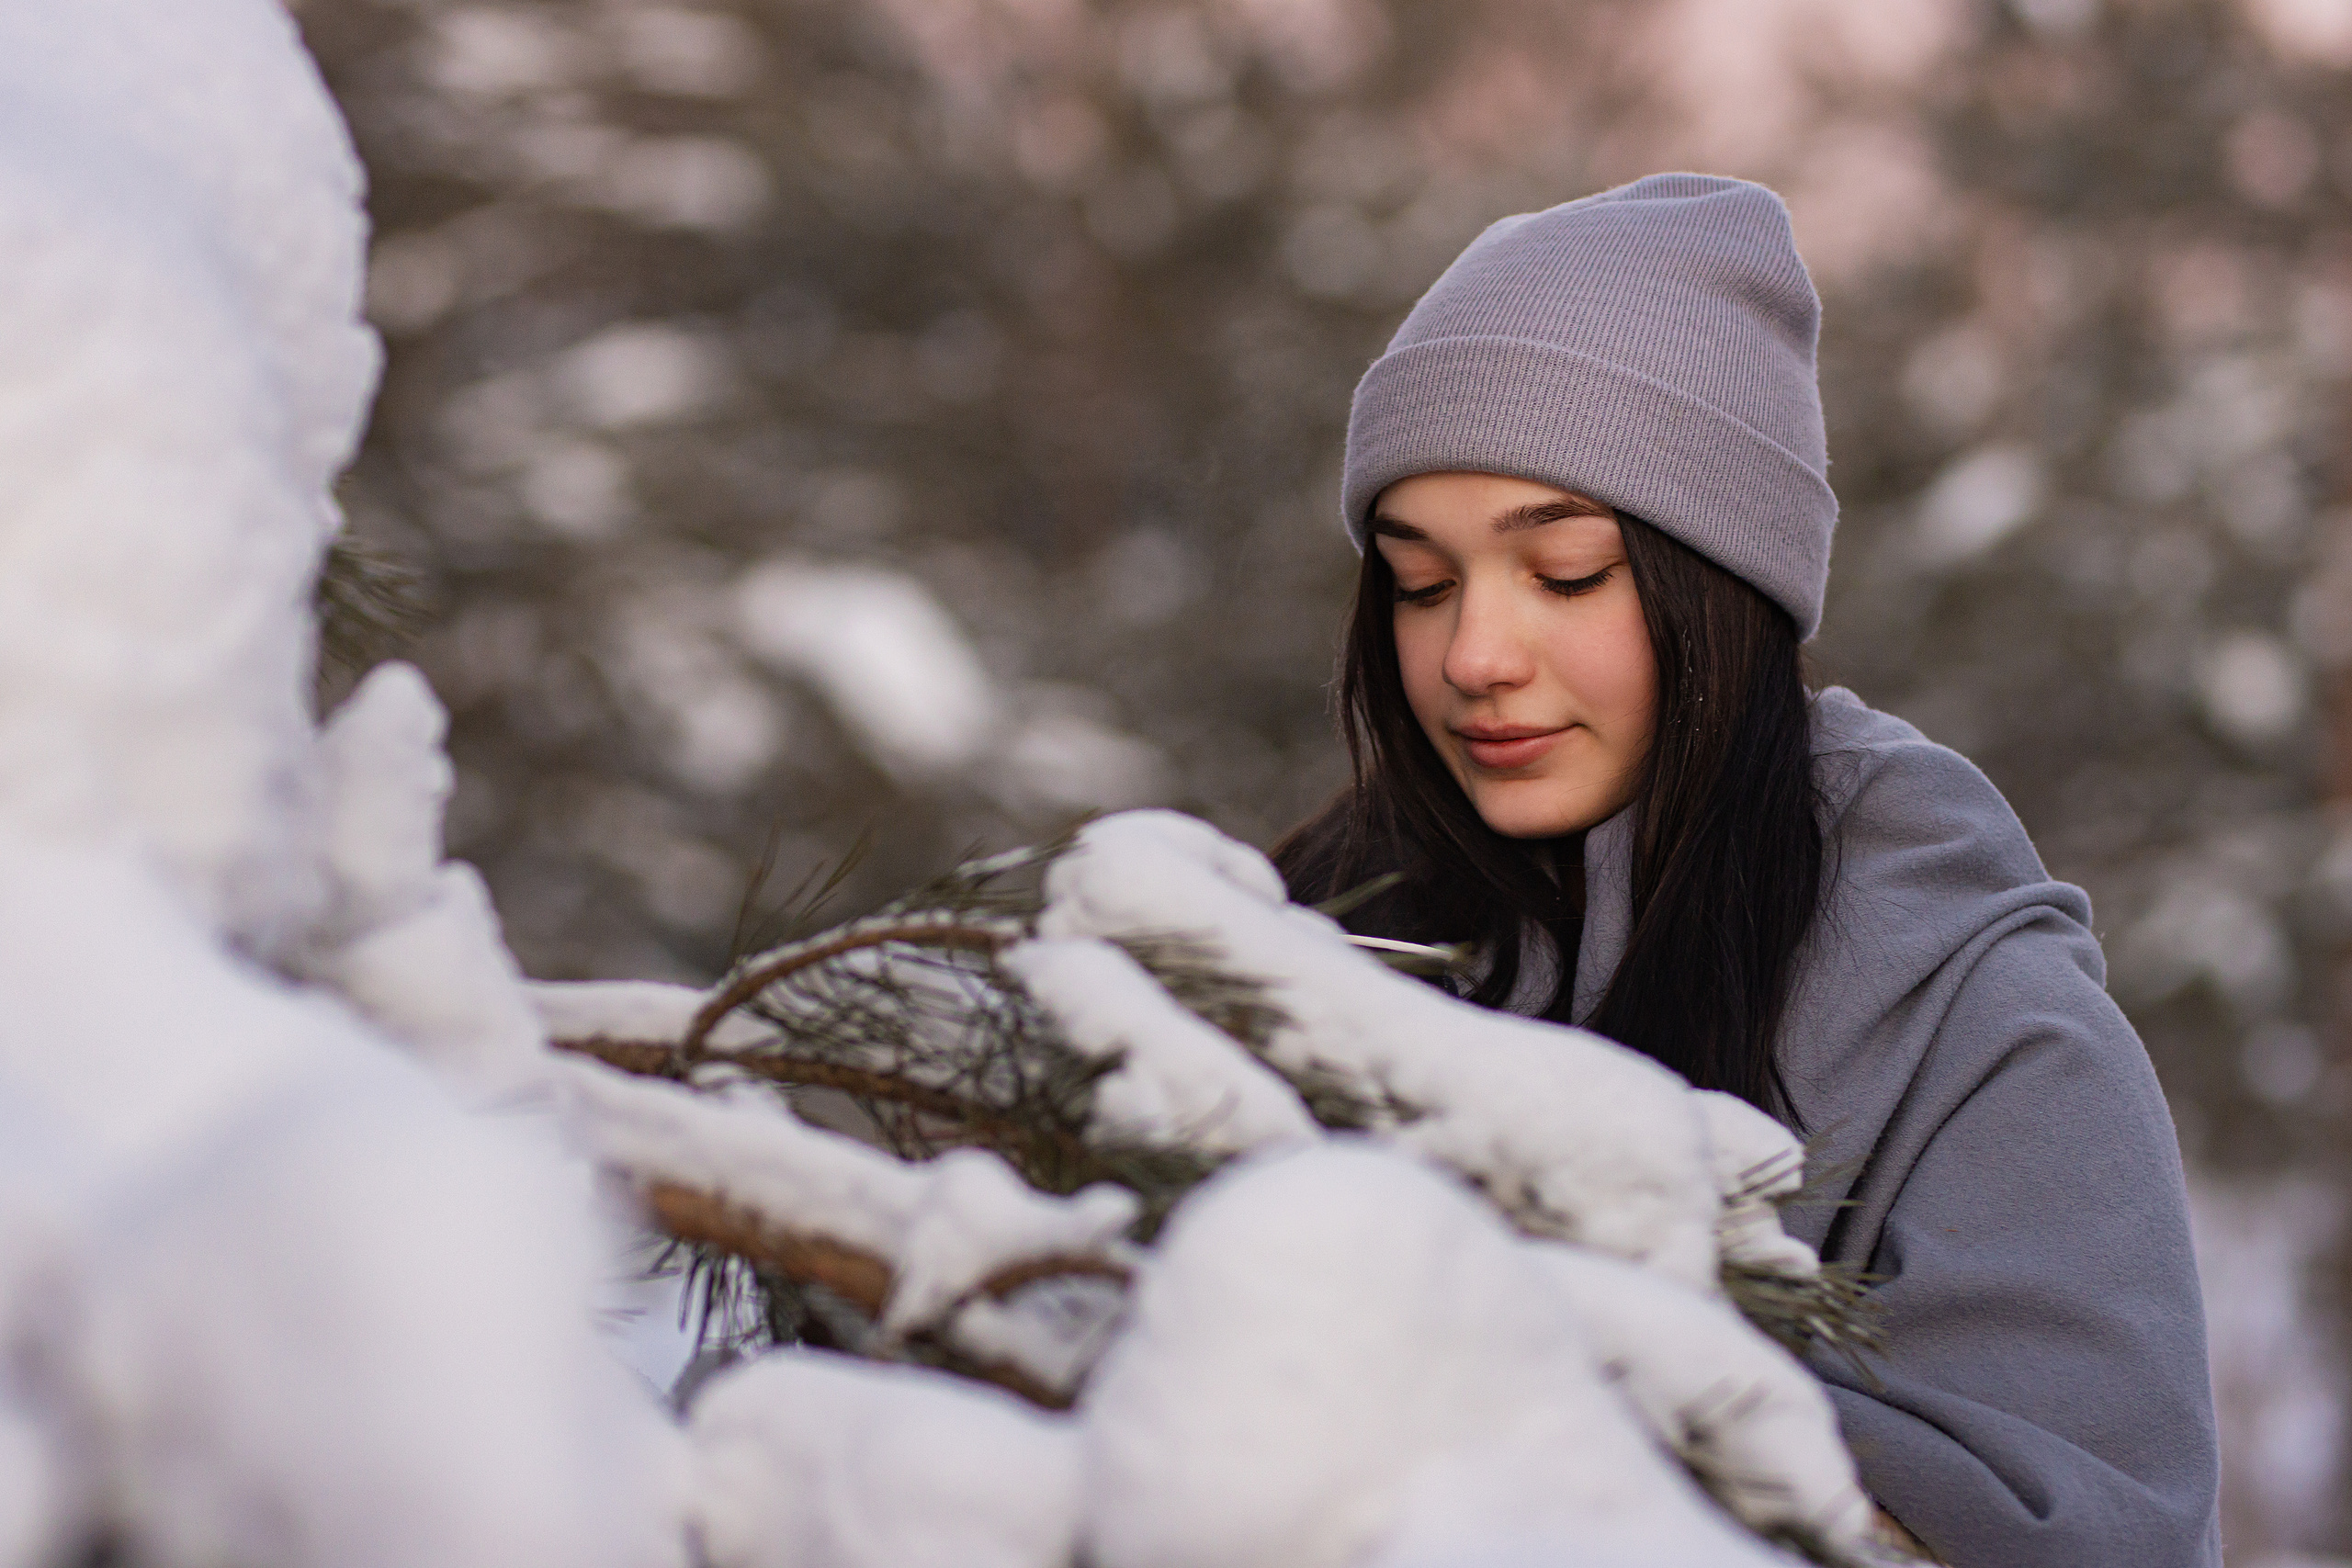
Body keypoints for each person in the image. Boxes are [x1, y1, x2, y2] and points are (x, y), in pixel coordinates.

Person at [1274, 174, 2222, 1567]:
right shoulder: (1324, 923)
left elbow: (2090, 1532)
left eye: (1566, 572)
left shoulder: (1982, 1026)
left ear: (1720, 586)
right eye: (1422, 584)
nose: (1472, 655)